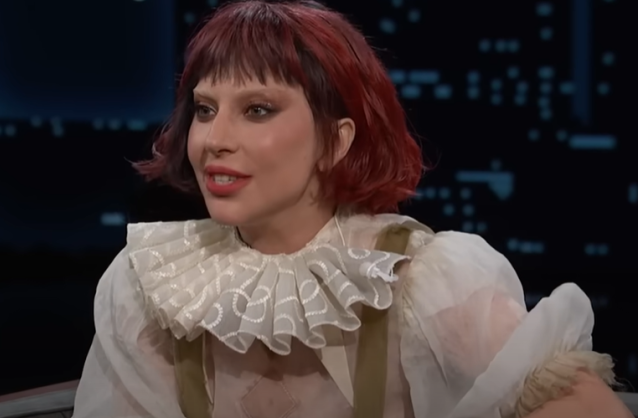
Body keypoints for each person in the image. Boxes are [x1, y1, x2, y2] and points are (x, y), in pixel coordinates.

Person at [72, 1, 630, 417]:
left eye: (257, 109)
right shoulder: (150, 284)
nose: (214, 139)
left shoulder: (424, 281)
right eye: (204, 109)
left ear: (337, 140)